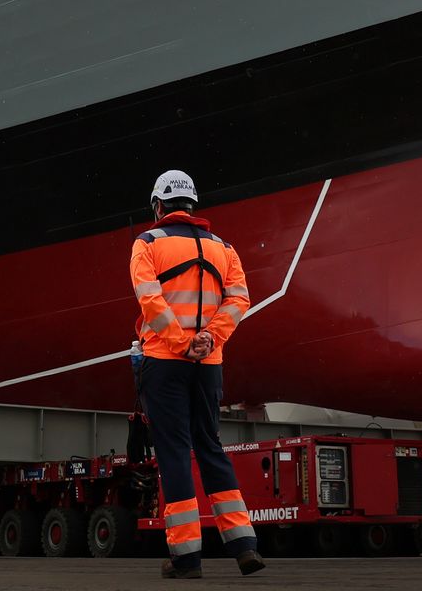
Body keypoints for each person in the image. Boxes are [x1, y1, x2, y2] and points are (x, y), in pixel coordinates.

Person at [131, 170, 263, 580]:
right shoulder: (225, 248)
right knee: (210, 446)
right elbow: (240, 299)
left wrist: (179, 341)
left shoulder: (147, 244)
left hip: (165, 362)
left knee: (173, 453)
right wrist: (208, 338)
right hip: (209, 365)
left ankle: (187, 558)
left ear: (158, 206)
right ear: (192, 205)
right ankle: (244, 546)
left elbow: (150, 299)